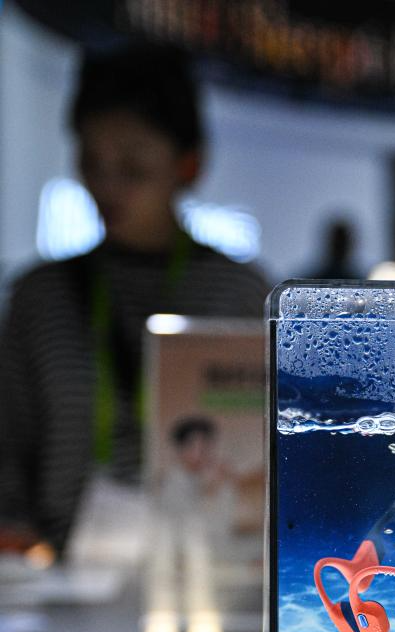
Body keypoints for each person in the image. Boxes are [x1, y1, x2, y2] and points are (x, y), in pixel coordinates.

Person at [0, 46, 269, 558]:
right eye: (91, 163)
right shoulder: (41, 296)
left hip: (212, 562)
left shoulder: (241, 294)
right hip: (63, 572)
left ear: (188, 165)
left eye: (133, 167)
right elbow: (8, 449)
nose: (107, 187)